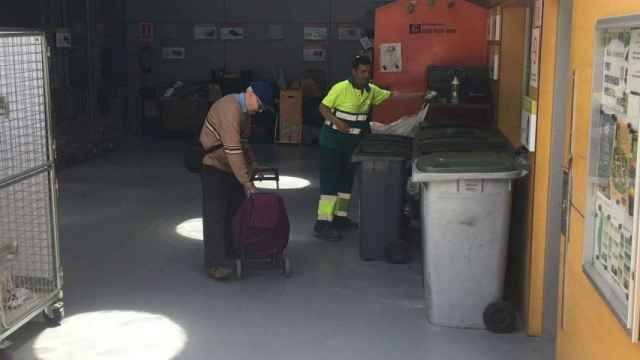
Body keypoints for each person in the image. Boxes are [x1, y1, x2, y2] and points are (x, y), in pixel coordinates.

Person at [314, 55, 424, 241]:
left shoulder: (371, 91)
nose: (366, 75)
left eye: (368, 72)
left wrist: (420, 95)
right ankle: (323, 224)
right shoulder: (340, 88)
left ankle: (340, 218)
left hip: (352, 145)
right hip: (332, 143)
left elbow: (394, 96)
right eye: (362, 72)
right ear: (354, 71)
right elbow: (322, 108)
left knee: (345, 183)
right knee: (330, 184)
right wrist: (337, 121)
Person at [199, 82, 274, 280]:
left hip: (230, 168)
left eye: (263, 108)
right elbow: (233, 148)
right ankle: (215, 264)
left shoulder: (245, 114)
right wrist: (247, 183)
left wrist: (254, 164)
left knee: (236, 211)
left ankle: (233, 252)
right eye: (260, 105)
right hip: (214, 166)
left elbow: (244, 143)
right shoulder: (229, 107)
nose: (259, 111)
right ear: (250, 93)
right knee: (215, 214)